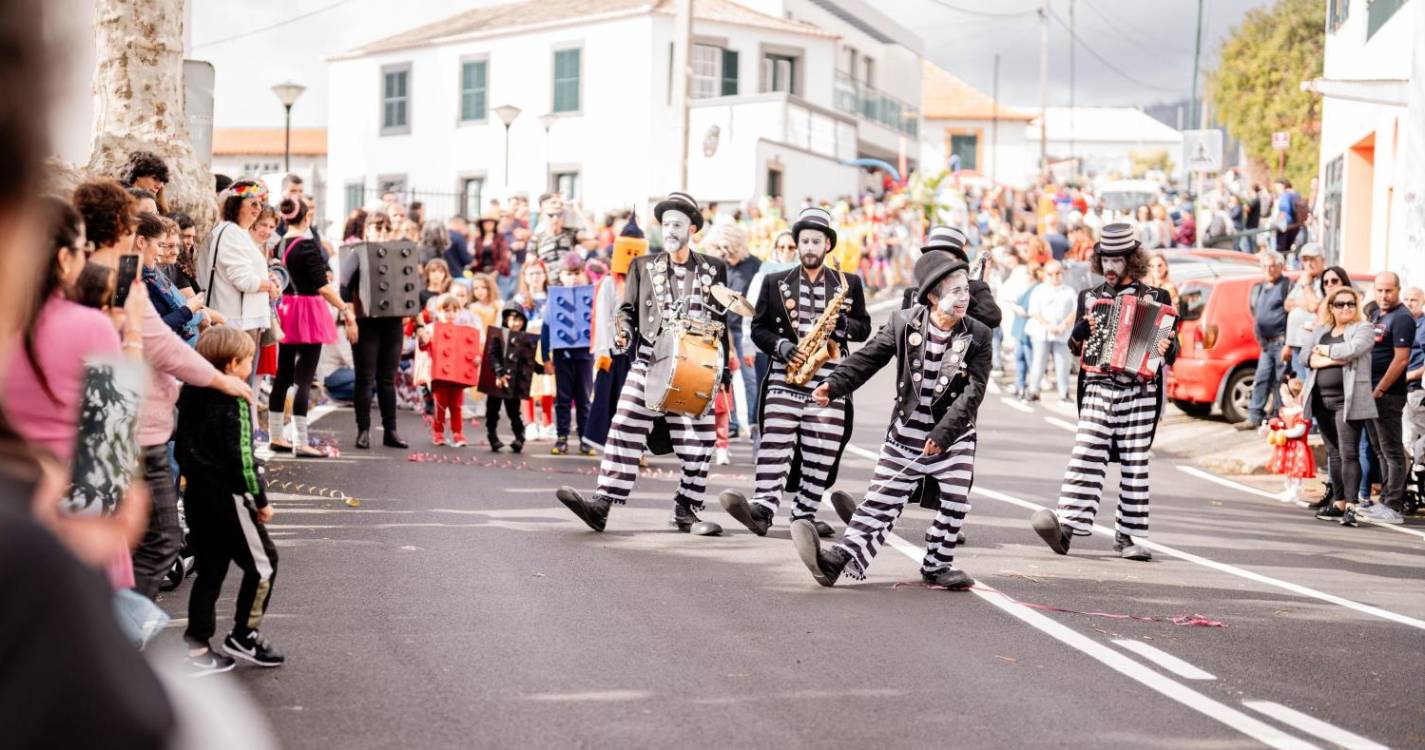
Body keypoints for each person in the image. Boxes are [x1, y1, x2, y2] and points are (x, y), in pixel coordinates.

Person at [77, 180, 253, 598]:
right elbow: (150, 348)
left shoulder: (115, 279)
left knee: (125, 545)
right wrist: (220, 380)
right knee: (153, 541)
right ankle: (123, 625)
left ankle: (117, 622)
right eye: (134, 228)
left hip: (125, 429)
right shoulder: (113, 283)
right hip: (126, 431)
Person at [794, 252, 990, 589]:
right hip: (905, 432)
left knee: (955, 502)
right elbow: (869, 358)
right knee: (880, 499)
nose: (964, 298)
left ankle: (938, 566)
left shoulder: (979, 334)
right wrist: (833, 384)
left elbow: (974, 392)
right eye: (955, 291)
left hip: (954, 437)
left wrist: (944, 434)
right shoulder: (903, 322)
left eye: (966, 290)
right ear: (933, 297)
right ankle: (836, 561)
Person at [555, 191, 730, 534]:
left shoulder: (713, 268)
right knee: (624, 425)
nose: (670, 230)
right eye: (666, 224)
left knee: (700, 439)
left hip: (696, 364)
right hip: (651, 358)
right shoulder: (643, 266)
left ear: (692, 228)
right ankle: (601, 505)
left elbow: (723, 321)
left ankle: (686, 509)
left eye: (677, 224)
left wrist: (721, 372)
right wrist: (623, 332)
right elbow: (627, 310)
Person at [1029, 222, 1178, 562]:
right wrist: (1079, 332)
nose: (1109, 267)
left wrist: (1168, 347)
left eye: (1117, 260)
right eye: (1105, 260)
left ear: (1131, 261)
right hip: (1098, 387)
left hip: (1140, 390)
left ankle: (1127, 537)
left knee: (1135, 462)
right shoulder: (1090, 297)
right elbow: (1075, 348)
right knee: (1085, 454)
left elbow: (1169, 352)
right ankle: (1065, 530)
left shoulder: (1157, 298)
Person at [718, 207, 871, 538]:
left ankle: (805, 514)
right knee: (775, 442)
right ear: (797, 244)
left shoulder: (850, 284)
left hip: (829, 380)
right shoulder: (774, 282)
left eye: (816, 241)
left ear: (827, 245)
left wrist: (842, 325)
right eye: (804, 241)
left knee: (822, 449)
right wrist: (783, 346)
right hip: (784, 376)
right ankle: (762, 509)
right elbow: (758, 329)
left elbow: (864, 328)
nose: (810, 247)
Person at [176, 325, 284, 674]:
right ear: (233, 364)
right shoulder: (234, 399)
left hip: (197, 495)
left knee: (210, 569)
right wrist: (261, 500)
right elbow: (243, 458)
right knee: (264, 563)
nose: (251, 366)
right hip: (229, 496)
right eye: (249, 360)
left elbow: (182, 447)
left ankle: (197, 646)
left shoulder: (189, 393)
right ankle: (244, 634)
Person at [269, 196, 357, 457]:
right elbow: (323, 287)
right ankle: (301, 441)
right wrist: (345, 310)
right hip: (308, 312)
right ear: (307, 217)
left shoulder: (279, 244)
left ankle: (276, 436)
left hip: (286, 310)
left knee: (284, 374)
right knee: (304, 377)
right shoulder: (307, 245)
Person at [1301, 286, 1376, 523]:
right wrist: (1333, 359)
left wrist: (1324, 352)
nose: (1346, 308)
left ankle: (1352, 506)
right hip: (1321, 400)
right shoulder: (1321, 330)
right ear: (1331, 307)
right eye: (1340, 304)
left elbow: (1352, 349)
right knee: (1333, 453)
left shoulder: (1363, 328)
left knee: (1349, 453)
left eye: (1350, 304)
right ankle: (1339, 502)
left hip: (1348, 400)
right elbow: (1305, 357)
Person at [200, 179, 281, 395]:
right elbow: (244, 280)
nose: (258, 209)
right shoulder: (232, 233)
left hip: (242, 319)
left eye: (260, 204)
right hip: (238, 322)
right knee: (237, 387)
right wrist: (269, 286)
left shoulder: (236, 232)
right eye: (252, 203)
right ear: (236, 204)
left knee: (241, 386)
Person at [348, 212, 409, 450]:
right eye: (377, 227)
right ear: (367, 230)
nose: (381, 232)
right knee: (365, 378)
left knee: (387, 379)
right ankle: (363, 430)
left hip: (393, 324)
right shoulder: (356, 254)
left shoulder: (399, 254)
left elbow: (410, 289)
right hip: (365, 323)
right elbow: (344, 289)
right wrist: (350, 319)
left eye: (386, 228)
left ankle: (390, 431)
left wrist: (418, 322)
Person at [584, 215, 646, 450]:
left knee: (636, 402)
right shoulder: (609, 284)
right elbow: (601, 318)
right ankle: (609, 443)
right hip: (614, 351)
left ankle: (635, 447)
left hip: (636, 353)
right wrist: (603, 351)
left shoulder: (645, 283)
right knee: (610, 399)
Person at [1358, 272, 1413, 521]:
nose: (1383, 295)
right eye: (1379, 290)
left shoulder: (1402, 317)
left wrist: (1380, 389)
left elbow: (1401, 360)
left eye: (1388, 290)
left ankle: (1393, 505)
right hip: (1370, 392)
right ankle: (1384, 500)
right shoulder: (1376, 314)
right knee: (1379, 449)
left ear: (1398, 290)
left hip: (1387, 394)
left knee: (1392, 450)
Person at [545, 253, 595, 455]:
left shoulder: (592, 295)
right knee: (563, 398)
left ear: (583, 273)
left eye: (577, 273)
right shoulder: (554, 298)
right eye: (568, 273)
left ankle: (586, 438)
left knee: (584, 399)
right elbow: (546, 328)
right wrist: (546, 357)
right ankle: (562, 438)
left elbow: (598, 324)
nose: (573, 277)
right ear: (561, 275)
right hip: (562, 355)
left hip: (585, 355)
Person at [1239, 250, 1292, 430]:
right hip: (1266, 344)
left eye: (1273, 266)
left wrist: (1288, 343)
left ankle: (1279, 417)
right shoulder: (1262, 287)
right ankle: (1254, 417)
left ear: (1281, 267)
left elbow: (1290, 316)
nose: (1269, 269)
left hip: (1280, 342)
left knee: (1280, 381)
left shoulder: (1286, 286)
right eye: (1265, 266)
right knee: (1261, 379)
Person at [136, 212, 205, 343]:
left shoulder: (152, 275)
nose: (161, 252)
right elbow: (151, 331)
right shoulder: (138, 280)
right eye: (160, 245)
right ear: (141, 242)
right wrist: (190, 310)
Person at [479, 305, 536, 452]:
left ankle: (519, 437)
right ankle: (492, 435)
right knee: (492, 411)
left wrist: (542, 369)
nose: (517, 323)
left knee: (514, 412)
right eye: (513, 319)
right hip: (497, 382)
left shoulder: (524, 340)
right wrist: (499, 373)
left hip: (513, 383)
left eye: (520, 320)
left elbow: (528, 361)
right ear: (505, 320)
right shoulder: (498, 336)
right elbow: (492, 356)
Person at [425, 294, 479, 447]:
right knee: (440, 406)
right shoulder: (432, 330)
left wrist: (477, 358)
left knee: (456, 407)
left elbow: (472, 351)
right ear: (438, 312)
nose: (450, 314)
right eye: (446, 310)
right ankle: (438, 433)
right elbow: (424, 347)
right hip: (440, 379)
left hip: (457, 379)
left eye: (454, 310)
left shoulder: (464, 331)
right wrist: (424, 339)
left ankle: (457, 433)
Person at [1025, 260, 1077, 401]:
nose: (1054, 276)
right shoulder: (1039, 290)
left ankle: (1064, 393)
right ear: (1045, 274)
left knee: (1063, 364)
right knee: (1038, 363)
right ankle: (1033, 390)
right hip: (1042, 332)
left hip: (1063, 332)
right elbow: (1034, 311)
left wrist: (1064, 325)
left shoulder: (1069, 290)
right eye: (1050, 274)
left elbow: (1075, 310)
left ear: (1062, 273)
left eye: (1058, 273)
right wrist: (1049, 326)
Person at [1262, 372, 1314, 504]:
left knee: (1296, 470)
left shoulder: (1300, 412)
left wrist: (1284, 433)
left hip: (1297, 447)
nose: (1283, 399)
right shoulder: (1284, 411)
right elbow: (1279, 423)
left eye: (1284, 396)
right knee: (1288, 469)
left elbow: (1300, 430)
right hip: (1285, 446)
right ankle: (1288, 488)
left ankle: (1295, 491)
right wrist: (1270, 427)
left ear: (1293, 396)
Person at [1283, 243, 1326, 380]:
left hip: (1313, 344)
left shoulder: (1326, 280)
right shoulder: (1303, 278)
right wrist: (1302, 303)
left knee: (1309, 383)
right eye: (1305, 260)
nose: (1308, 263)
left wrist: (1306, 286)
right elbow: (1287, 304)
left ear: (1323, 260)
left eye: (1312, 259)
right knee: (1298, 384)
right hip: (1296, 343)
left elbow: (1314, 306)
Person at [471, 211, 511, 278]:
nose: (488, 224)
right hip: (481, 273)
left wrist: (496, 272)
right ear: (482, 224)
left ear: (495, 224)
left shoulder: (500, 239)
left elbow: (503, 257)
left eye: (491, 222)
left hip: (497, 273)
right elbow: (476, 258)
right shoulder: (478, 240)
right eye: (486, 222)